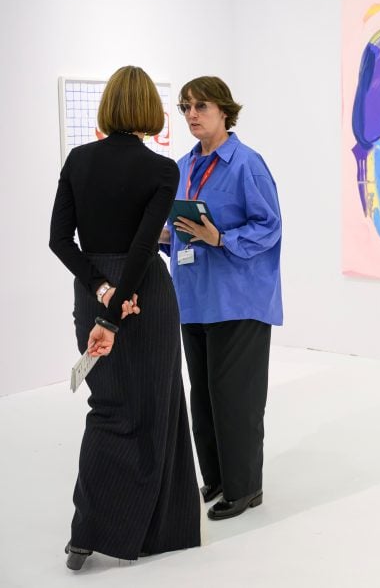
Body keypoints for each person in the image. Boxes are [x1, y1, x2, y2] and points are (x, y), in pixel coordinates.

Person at [49, 65, 201, 570]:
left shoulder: (78, 160)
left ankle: (84, 535)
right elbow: (141, 246)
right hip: (144, 292)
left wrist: (101, 291)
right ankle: (157, 529)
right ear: (150, 112)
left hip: (95, 287)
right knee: (157, 404)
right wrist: (120, 307)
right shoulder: (161, 169)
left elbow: (58, 241)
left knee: (109, 407)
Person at [166, 76, 282, 521]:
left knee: (236, 397)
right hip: (193, 298)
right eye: (186, 107)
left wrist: (220, 237)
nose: (193, 115)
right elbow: (182, 230)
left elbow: (268, 227)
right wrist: (167, 236)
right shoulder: (182, 167)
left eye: (202, 106)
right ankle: (215, 478)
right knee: (205, 395)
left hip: (239, 299)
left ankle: (245, 487)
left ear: (225, 111)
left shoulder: (246, 164)